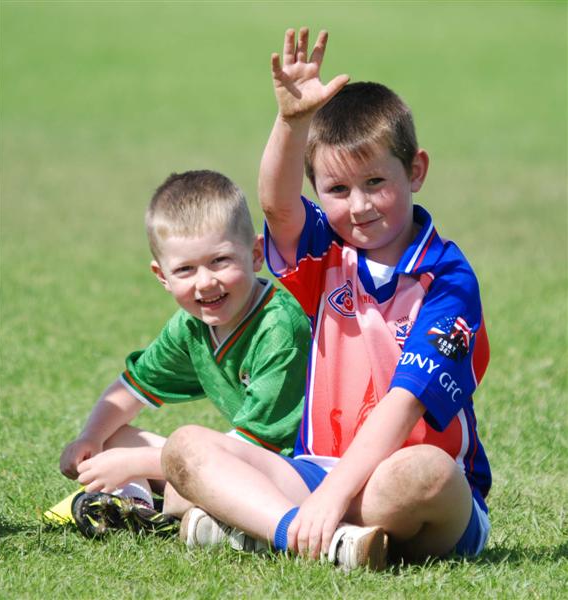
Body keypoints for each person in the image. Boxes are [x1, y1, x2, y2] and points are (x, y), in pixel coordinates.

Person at [161, 29, 491, 571]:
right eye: (337, 190)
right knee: (185, 449)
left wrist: (333, 498)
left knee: (424, 472)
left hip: (402, 485)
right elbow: (277, 206)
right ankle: (307, 536)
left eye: (375, 182)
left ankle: (263, 524)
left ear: (416, 171)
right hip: (315, 470)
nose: (358, 206)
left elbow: (403, 405)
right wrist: (291, 123)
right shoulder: (325, 252)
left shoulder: (449, 279)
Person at [56, 169, 311, 538]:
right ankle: (133, 507)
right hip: (241, 460)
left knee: (178, 482)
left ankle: (207, 516)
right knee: (114, 438)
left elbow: (259, 445)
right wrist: (89, 439)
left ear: (256, 254)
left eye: (220, 260)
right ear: (163, 276)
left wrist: (135, 463)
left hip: (295, 470)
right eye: (186, 269)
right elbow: (133, 388)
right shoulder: (191, 325)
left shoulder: (280, 327)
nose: (205, 282)